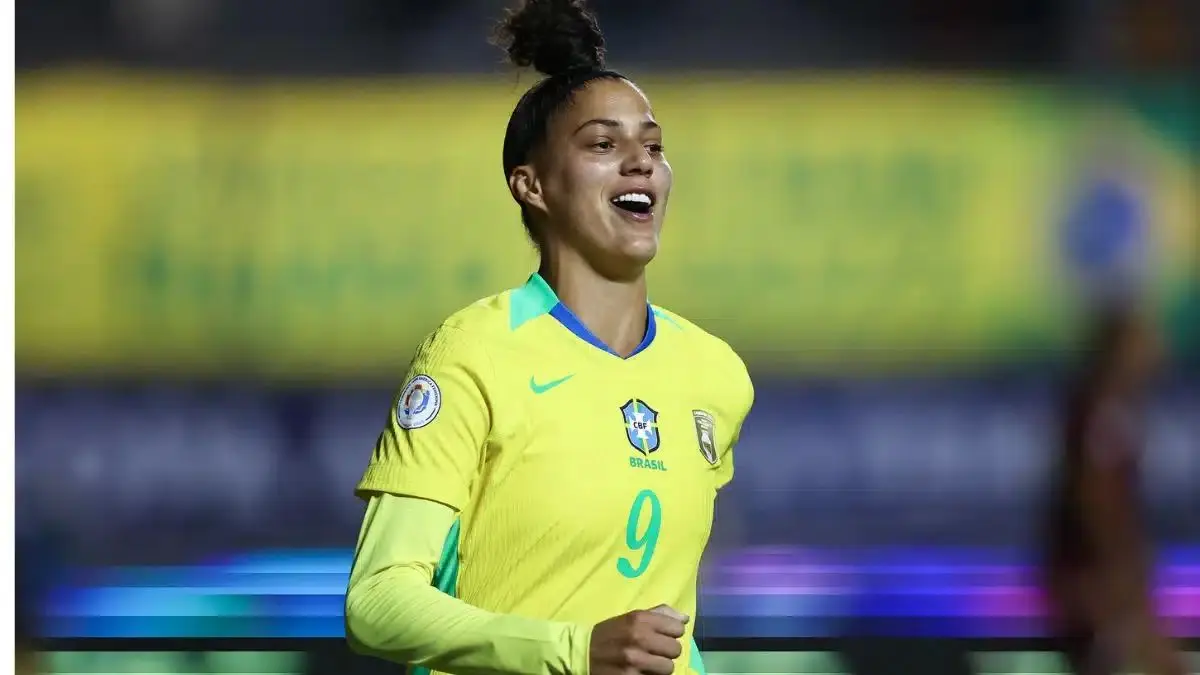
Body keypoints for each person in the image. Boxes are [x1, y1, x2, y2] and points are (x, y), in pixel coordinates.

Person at [343, 1, 754, 674]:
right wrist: (573, 651)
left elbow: (670, 622)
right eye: (603, 145)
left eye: (653, 146)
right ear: (531, 186)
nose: (641, 163)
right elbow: (377, 601)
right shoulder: (473, 352)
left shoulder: (715, 374)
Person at [1041, 304, 1185, 675]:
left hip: (1100, 572)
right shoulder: (1104, 407)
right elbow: (1096, 495)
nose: (1158, 347)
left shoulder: (1113, 405)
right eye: (1144, 339)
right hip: (1096, 572)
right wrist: (1116, 571)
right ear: (1122, 349)